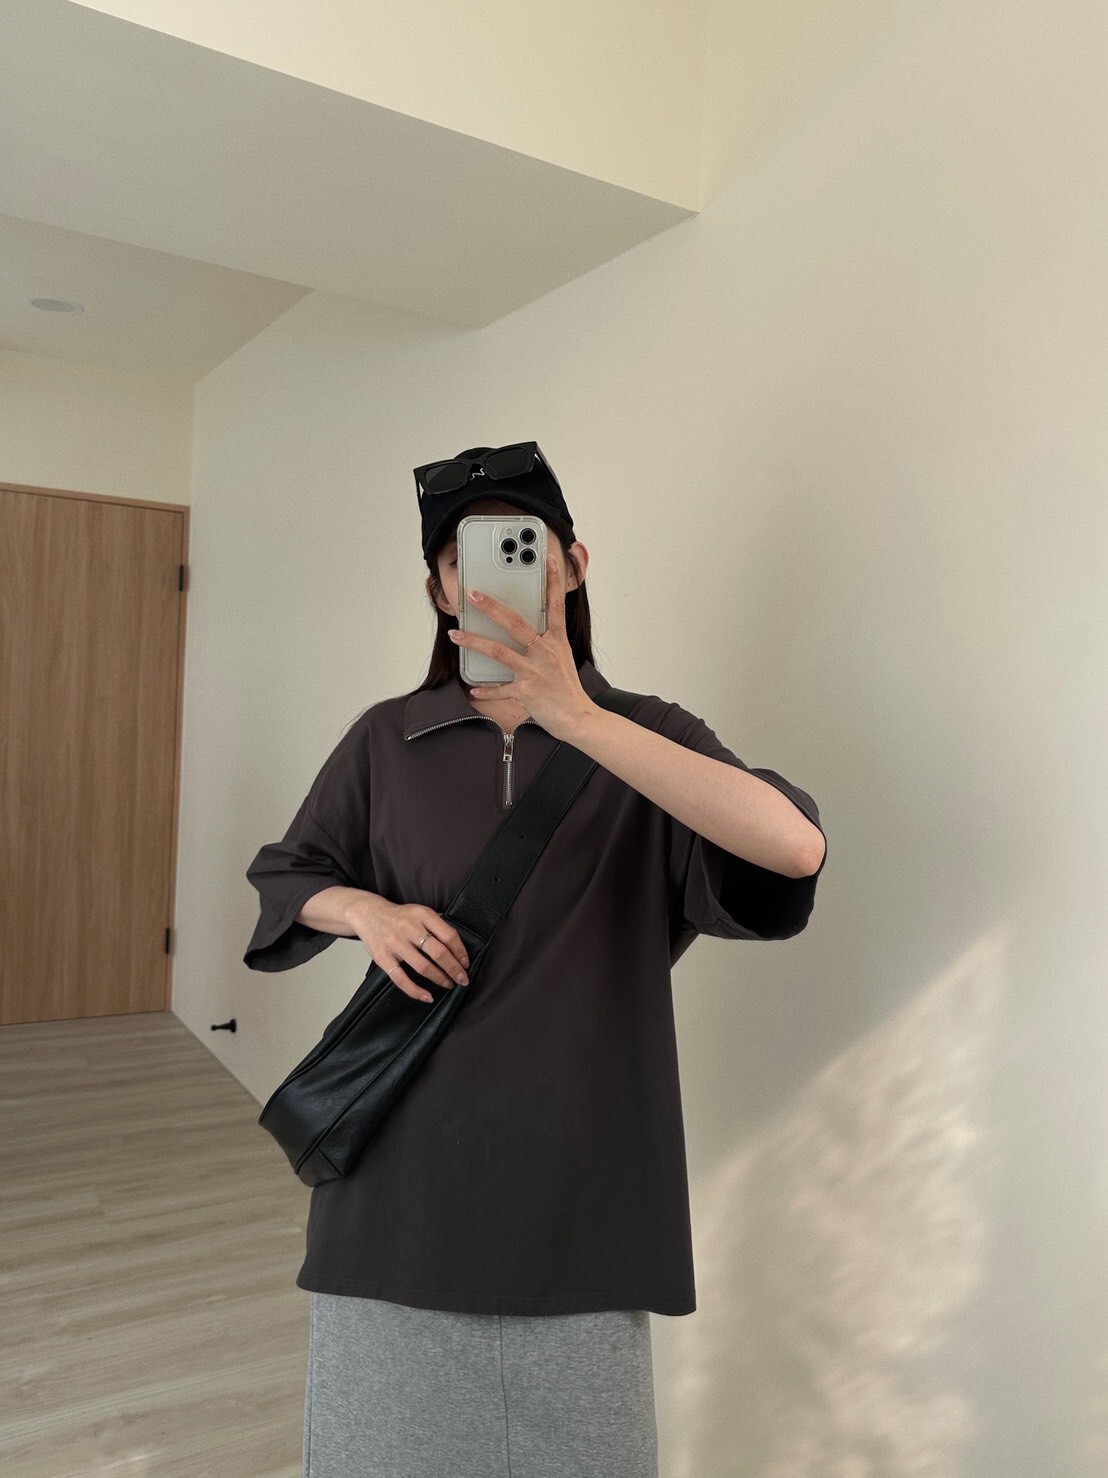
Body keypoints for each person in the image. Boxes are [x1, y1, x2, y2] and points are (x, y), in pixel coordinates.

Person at [243, 440, 828, 1477]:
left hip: (583, 1194)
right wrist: (368, 911)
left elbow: (791, 847)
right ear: (437, 589)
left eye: (521, 550)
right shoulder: (387, 740)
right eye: (458, 561)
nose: (488, 580)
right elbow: (289, 872)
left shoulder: (649, 738)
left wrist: (576, 717)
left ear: (574, 565)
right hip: (399, 1188)